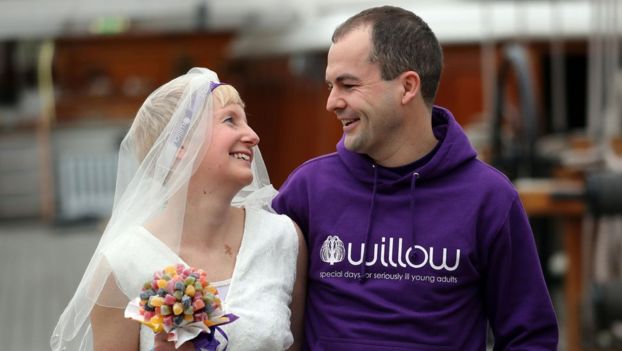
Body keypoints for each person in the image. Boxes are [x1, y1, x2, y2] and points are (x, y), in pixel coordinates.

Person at [272, 6, 558, 350]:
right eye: (331, 86)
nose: (332, 102)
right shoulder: (307, 190)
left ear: (407, 87)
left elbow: (529, 337)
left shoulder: (489, 198)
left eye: (348, 84)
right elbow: (259, 310)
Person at [51, 67, 307, 351]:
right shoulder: (122, 264)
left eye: (246, 122)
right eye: (230, 120)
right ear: (181, 143)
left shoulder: (283, 239)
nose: (253, 136)